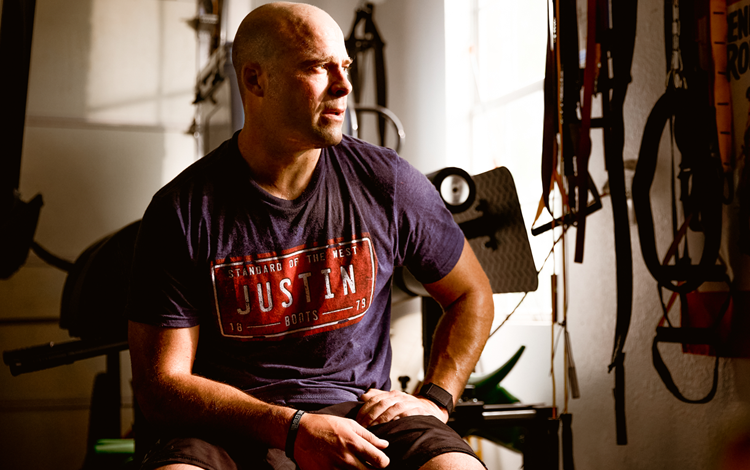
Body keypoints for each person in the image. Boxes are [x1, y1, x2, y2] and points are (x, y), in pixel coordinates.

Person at [126, 2, 494, 469]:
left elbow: (471, 293)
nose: (343, 86)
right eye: (318, 68)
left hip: (363, 416)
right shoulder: (181, 210)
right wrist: (293, 427)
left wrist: (438, 399)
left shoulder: (388, 182)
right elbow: (162, 385)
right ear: (256, 81)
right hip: (232, 425)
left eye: (344, 67)